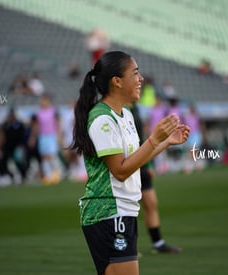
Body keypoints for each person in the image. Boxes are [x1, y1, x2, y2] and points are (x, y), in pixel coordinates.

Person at [71, 51, 190, 275]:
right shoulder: (102, 119)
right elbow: (121, 171)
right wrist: (154, 139)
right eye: (135, 73)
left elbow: (135, 159)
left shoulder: (124, 113)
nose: (141, 79)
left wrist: (166, 142)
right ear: (117, 81)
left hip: (123, 211)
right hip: (107, 212)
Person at [130, 102, 181, 254]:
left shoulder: (134, 107)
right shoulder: (119, 108)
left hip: (143, 160)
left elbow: (142, 136)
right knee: (130, 207)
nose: (139, 80)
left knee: (151, 203)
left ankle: (158, 243)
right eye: (135, 76)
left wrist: (149, 164)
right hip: (130, 160)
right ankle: (128, 247)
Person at [0, 109, 27, 183]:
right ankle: (7, 175)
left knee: (20, 160)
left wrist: (21, 146)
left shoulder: (19, 125)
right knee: (1, 160)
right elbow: (2, 136)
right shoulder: (6, 125)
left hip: (17, 147)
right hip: (7, 148)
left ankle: (22, 176)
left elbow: (22, 137)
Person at [37, 95, 62, 184]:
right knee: (44, 156)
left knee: (52, 155)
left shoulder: (53, 111)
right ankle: (47, 176)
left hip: (52, 135)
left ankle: (56, 174)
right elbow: (38, 126)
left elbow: (58, 123)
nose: (42, 102)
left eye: (44, 100)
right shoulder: (39, 112)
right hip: (43, 136)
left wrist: (59, 136)